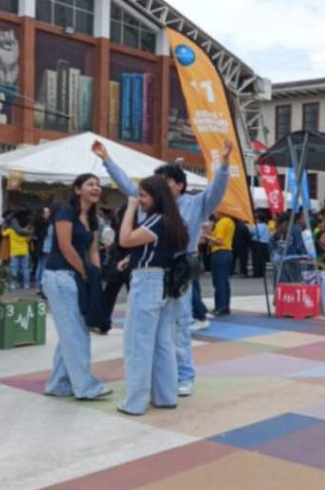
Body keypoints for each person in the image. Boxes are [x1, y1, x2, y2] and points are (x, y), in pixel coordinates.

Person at [96, 138, 230, 398]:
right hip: (152, 272)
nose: (161, 187)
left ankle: (185, 376)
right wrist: (107, 160)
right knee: (155, 330)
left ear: (180, 185)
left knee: (179, 326)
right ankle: (161, 378)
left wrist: (224, 164)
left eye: (166, 182)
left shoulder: (196, 204)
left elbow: (217, 190)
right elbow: (128, 187)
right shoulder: (152, 206)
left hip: (178, 272)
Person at [116, 176, 189, 416]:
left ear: (156, 197)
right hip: (163, 283)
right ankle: (166, 396)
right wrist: (132, 259)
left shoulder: (157, 220)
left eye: (143, 195)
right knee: (162, 343)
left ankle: (134, 402)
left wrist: (130, 209)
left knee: (138, 343)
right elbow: (157, 250)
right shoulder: (173, 220)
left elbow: (125, 239)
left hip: (147, 282)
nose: (140, 200)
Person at [42, 174, 111, 400]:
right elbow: (64, 245)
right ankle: (85, 387)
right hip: (59, 276)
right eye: (90, 184)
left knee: (71, 332)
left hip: (77, 277)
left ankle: (58, 384)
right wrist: (84, 271)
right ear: (78, 189)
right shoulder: (66, 211)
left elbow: (93, 249)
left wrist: (95, 275)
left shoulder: (92, 218)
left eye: (98, 185)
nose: (96, 188)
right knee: (75, 334)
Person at [207, 212, 235, 316]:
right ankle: (225, 306)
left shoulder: (222, 222)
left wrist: (207, 236)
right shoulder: (230, 222)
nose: (214, 214)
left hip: (219, 252)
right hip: (227, 252)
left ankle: (220, 306)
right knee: (224, 280)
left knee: (218, 281)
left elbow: (218, 240)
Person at [3, 211, 32, 290]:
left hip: (14, 251)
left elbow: (3, 233)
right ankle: (26, 284)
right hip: (24, 251)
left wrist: (4, 224)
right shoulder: (25, 232)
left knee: (14, 269)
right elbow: (28, 239)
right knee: (25, 268)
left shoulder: (11, 230)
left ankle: (14, 284)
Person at [250, 211, 270, 278]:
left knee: (256, 259)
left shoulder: (255, 226)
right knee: (263, 259)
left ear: (258, 219)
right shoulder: (266, 226)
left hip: (257, 243)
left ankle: (257, 273)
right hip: (265, 243)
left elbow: (251, 233)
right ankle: (262, 272)